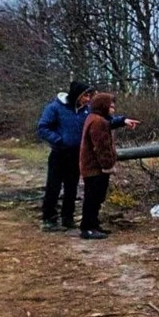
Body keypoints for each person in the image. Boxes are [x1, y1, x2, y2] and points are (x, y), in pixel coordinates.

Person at [36, 81, 139, 232]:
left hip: (77, 155)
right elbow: (43, 127)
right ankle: (49, 219)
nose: (88, 99)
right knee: (54, 186)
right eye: (86, 95)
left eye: (90, 96)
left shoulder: (87, 111)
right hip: (59, 153)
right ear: (77, 95)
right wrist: (59, 140)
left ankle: (67, 218)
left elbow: (106, 121)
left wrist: (123, 120)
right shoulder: (55, 108)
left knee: (71, 188)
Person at [79, 93, 121, 240]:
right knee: (93, 197)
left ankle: (94, 224)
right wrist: (107, 165)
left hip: (93, 167)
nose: (113, 109)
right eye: (111, 106)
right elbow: (101, 147)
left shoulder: (96, 119)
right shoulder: (98, 122)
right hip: (95, 168)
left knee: (96, 197)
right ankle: (88, 227)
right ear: (103, 106)